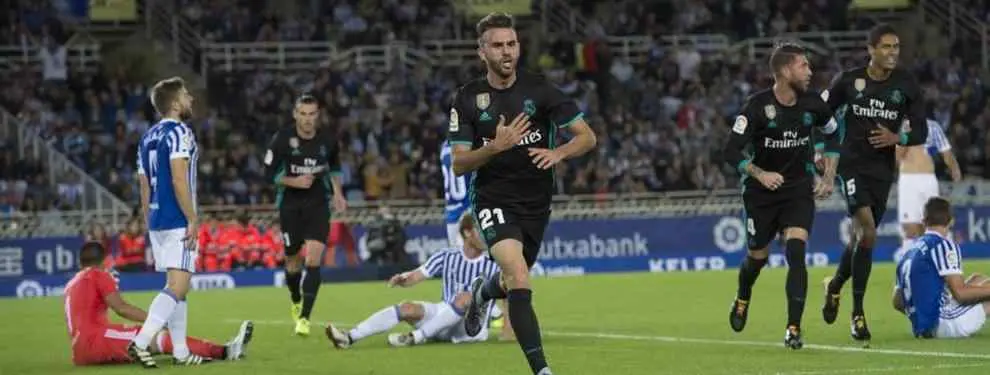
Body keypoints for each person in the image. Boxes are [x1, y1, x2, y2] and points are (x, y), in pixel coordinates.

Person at [449, 12, 597, 375]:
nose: (506, 52)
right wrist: (494, 148)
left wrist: (559, 152)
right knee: (517, 272)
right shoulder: (468, 99)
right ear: (481, 52)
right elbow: (459, 163)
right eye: (497, 45)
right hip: (493, 199)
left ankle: (483, 293)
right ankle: (542, 370)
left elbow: (587, 136)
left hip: (536, 203)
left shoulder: (541, 90)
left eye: (511, 44)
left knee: (512, 278)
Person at [722, 43, 841, 349]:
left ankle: (793, 328)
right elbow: (729, 150)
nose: (810, 71)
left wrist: (827, 175)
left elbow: (833, 133)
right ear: (786, 71)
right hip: (761, 194)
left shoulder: (813, 104)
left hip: (798, 189)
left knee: (796, 252)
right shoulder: (757, 107)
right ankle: (743, 296)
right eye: (804, 66)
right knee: (757, 258)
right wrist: (760, 173)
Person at [819, 24, 928, 344]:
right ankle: (857, 314)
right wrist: (822, 151)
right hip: (851, 165)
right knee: (867, 230)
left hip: (882, 171)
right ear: (871, 50)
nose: (893, 53)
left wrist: (899, 137)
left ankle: (835, 285)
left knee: (861, 240)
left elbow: (921, 130)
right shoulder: (849, 81)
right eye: (886, 47)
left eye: (896, 47)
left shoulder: (906, 85)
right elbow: (818, 113)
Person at [325, 212, 504, 348]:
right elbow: (418, 274)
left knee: (466, 298)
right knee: (406, 308)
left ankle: (415, 337)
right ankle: (348, 337)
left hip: (472, 328)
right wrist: (403, 279)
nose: (486, 234)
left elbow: (510, 297)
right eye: (481, 230)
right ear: (467, 233)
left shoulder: (496, 262)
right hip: (443, 317)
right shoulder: (447, 255)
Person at [64, 241, 254, 366]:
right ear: (103, 260)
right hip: (95, 340)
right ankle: (224, 351)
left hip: (79, 350)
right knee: (156, 336)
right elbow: (120, 308)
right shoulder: (97, 274)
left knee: (148, 343)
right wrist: (154, 320)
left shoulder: (71, 283)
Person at [131, 76, 206, 367]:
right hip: (177, 218)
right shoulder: (181, 132)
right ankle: (140, 342)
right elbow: (178, 176)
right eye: (186, 95)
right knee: (178, 286)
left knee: (176, 287)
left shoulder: (147, 136)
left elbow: (143, 184)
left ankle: (180, 351)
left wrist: (150, 220)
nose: (191, 99)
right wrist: (192, 218)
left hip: (157, 218)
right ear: (175, 103)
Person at [263, 94, 348, 336]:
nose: (308, 119)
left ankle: (304, 318)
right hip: (289, 205)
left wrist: (338, 194)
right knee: (292, 260)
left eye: (312, 114)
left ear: (317, 115)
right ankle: (295, 297)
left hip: (317, 205)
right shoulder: (282, 139)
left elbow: (335, 169)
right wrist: (293, 181)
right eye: (303, 114)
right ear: (295, 114)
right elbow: (268, 175)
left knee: (313, 259)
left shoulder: (328, 140)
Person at [893, 197, 990, 338]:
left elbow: (897, 302)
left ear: (924, 221)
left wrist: (922, 314)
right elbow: (961, 294)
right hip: (942, 323)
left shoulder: (909, 251)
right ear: (951, 221)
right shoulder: (944, 245)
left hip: (922, 325)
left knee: (977, 279)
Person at [893, 118, 961, 263]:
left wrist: (955, 169)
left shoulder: (933, 126)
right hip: (908, 179)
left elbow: (946, 152)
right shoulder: (899, 125)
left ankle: (938, 265)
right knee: (910, 228)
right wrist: (906, 134)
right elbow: (897, 158)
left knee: (933, 224)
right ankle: (908, 269)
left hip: (928, 179)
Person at [441, 140, 472, 248]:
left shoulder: (444, 146)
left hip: (451, 212)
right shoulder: (468, 143)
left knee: (457, 260)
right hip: (468, 208)